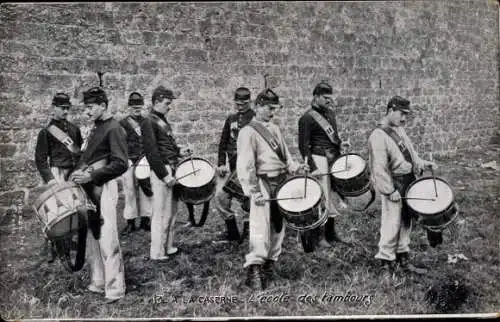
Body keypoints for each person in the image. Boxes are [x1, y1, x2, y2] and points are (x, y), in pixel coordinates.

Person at [237, 88, 308, 290]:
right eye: (269, 108)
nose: (272, 112)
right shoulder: (247, 132)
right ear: (257, 106)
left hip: (281, 180)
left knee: (278, 226)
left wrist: (296, 167)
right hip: (262, 182)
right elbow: (245, 165)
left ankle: (270, 263)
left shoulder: (275, 129)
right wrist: (253, 191)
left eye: (275, 109)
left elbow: (286, 157)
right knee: (260, 226)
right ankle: (254, 270)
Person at [70, 86, 128, 304]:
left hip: (105, 187)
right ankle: (98, 281)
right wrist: (79, 171)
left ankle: (115, 288)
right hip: (92, 186)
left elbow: (121, 164)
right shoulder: (97, 127)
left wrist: (92, 175)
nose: (87, 111)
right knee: (95, 235)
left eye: (91, 107)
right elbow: (89, 155)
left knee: (107, 237)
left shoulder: (114, 128)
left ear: (103, 106)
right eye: (86, 107)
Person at [367, 95, 437, 275]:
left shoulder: (399, 129)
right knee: (392, 221)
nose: (404, 118)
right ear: (390, 110)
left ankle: (402, 256)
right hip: (394, 183)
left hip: (408, 180)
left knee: (406, 220)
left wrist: (421, 163)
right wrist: (389, 190)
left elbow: (410, 154)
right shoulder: (378, 135)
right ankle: (385, 260)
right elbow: (379, 168)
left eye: (406, 114)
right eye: (402, 114)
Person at [141, 85, 191, 261]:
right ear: (156, 102)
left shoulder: (160, 119)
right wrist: (165, 175)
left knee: (171, 212)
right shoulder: (148, 121)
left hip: (171, 168)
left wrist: (179, 151)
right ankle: (157, 252)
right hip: (163, 171)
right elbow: (152, 153)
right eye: (167, 103)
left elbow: (165, 146)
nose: (169, 106)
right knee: (160, 213)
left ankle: (167, 246)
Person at [298, 81, 348, 248]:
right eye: (325, 98)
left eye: (330, 98)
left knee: (332, 195)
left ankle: (331, 233)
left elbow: (333, 138)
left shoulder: (331, 114)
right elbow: (303, 146)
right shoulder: (307, 118)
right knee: (321, 197)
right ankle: (319, 237)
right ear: (316, 96)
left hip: (332, 158)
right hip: (318, 159)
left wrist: (342, 143)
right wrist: (313, 168)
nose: (329, 101)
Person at [35, 92, 83, 262]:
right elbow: (40, 159)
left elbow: (80, 154)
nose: (65, 111)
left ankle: (69, 241)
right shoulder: (46, 132)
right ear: (53, 108)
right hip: (57, 173)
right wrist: (51, 179)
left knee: (73, 208)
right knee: (58, 211)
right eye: (62, 108)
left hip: (73, 171)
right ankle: (56, 247)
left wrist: (79, 170)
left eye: (67, 108)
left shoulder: (74, 129)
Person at [214, 87, 255, 242]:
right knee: (219, 196)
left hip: (248, 168)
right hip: (231, 168)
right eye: (237, 103)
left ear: (249, 102)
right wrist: (221, 163)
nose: (240, 106)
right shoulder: (231, 118)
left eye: (243, 103)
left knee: (248, 199)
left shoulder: (255, 118)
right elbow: (223, 143)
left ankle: (248, 230)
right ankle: (232, 232)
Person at [119, 92, 152, 235]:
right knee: (129, 191)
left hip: (144, 160)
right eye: (133, 106)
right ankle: (130, 222)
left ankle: (146, 220)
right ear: (129, 107)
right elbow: (120, 143)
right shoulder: (122, 123)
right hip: (129, 161)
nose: (136, 108)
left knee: (146, 190)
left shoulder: (146, 122)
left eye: (139, 106)